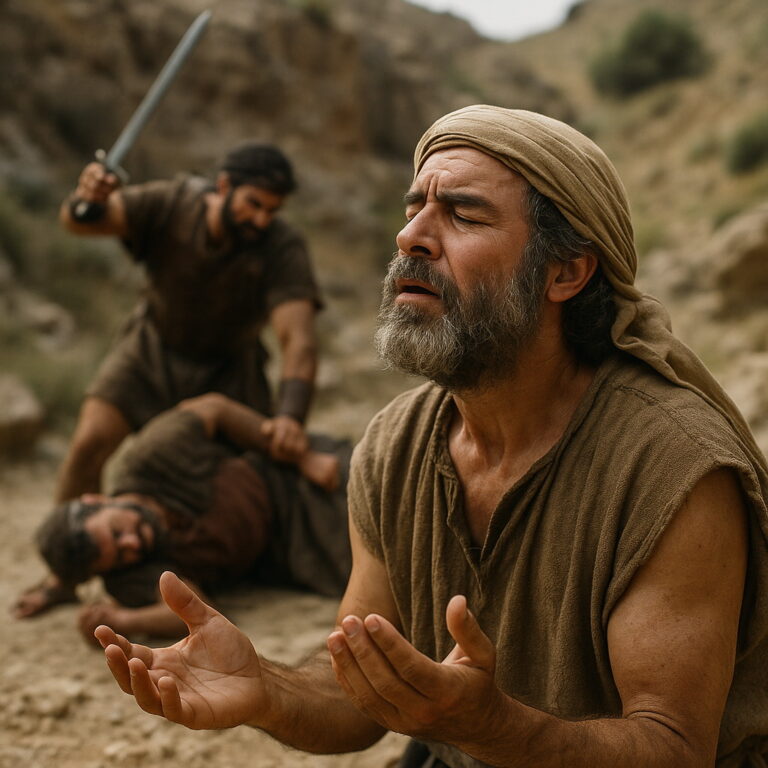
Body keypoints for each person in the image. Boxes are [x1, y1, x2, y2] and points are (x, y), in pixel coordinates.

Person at [95, 106, 768, 767]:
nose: (411, 236)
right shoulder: (396, 443)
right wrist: (265, 688)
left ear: (566, 272)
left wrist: (494, 728)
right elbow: (358, 696)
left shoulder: (672, 468)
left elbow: (674, 748)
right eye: (415, 207)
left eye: (464, 215)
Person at [56, 143, 321, 502]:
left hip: (230, 372)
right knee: (88, 445)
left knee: (239, 484)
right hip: (149, 353)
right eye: (253, 204)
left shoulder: (282, 246)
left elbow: (298, 339)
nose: (261, 220)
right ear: (224, 186)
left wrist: (290, 417)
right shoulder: (171, 203)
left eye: (272, 211)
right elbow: (83, 221)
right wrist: (88, 198)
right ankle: (72, 535)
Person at [13, 393, 351, 643]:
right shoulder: (127, 576)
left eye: (117, 531)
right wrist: (122, 620)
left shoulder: (151, 457)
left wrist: (303, 458)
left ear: (97, 500)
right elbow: (196, 608)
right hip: (290, 552)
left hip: (290, 480)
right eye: (120, 555)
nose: (132, 543)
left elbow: (215, 407)